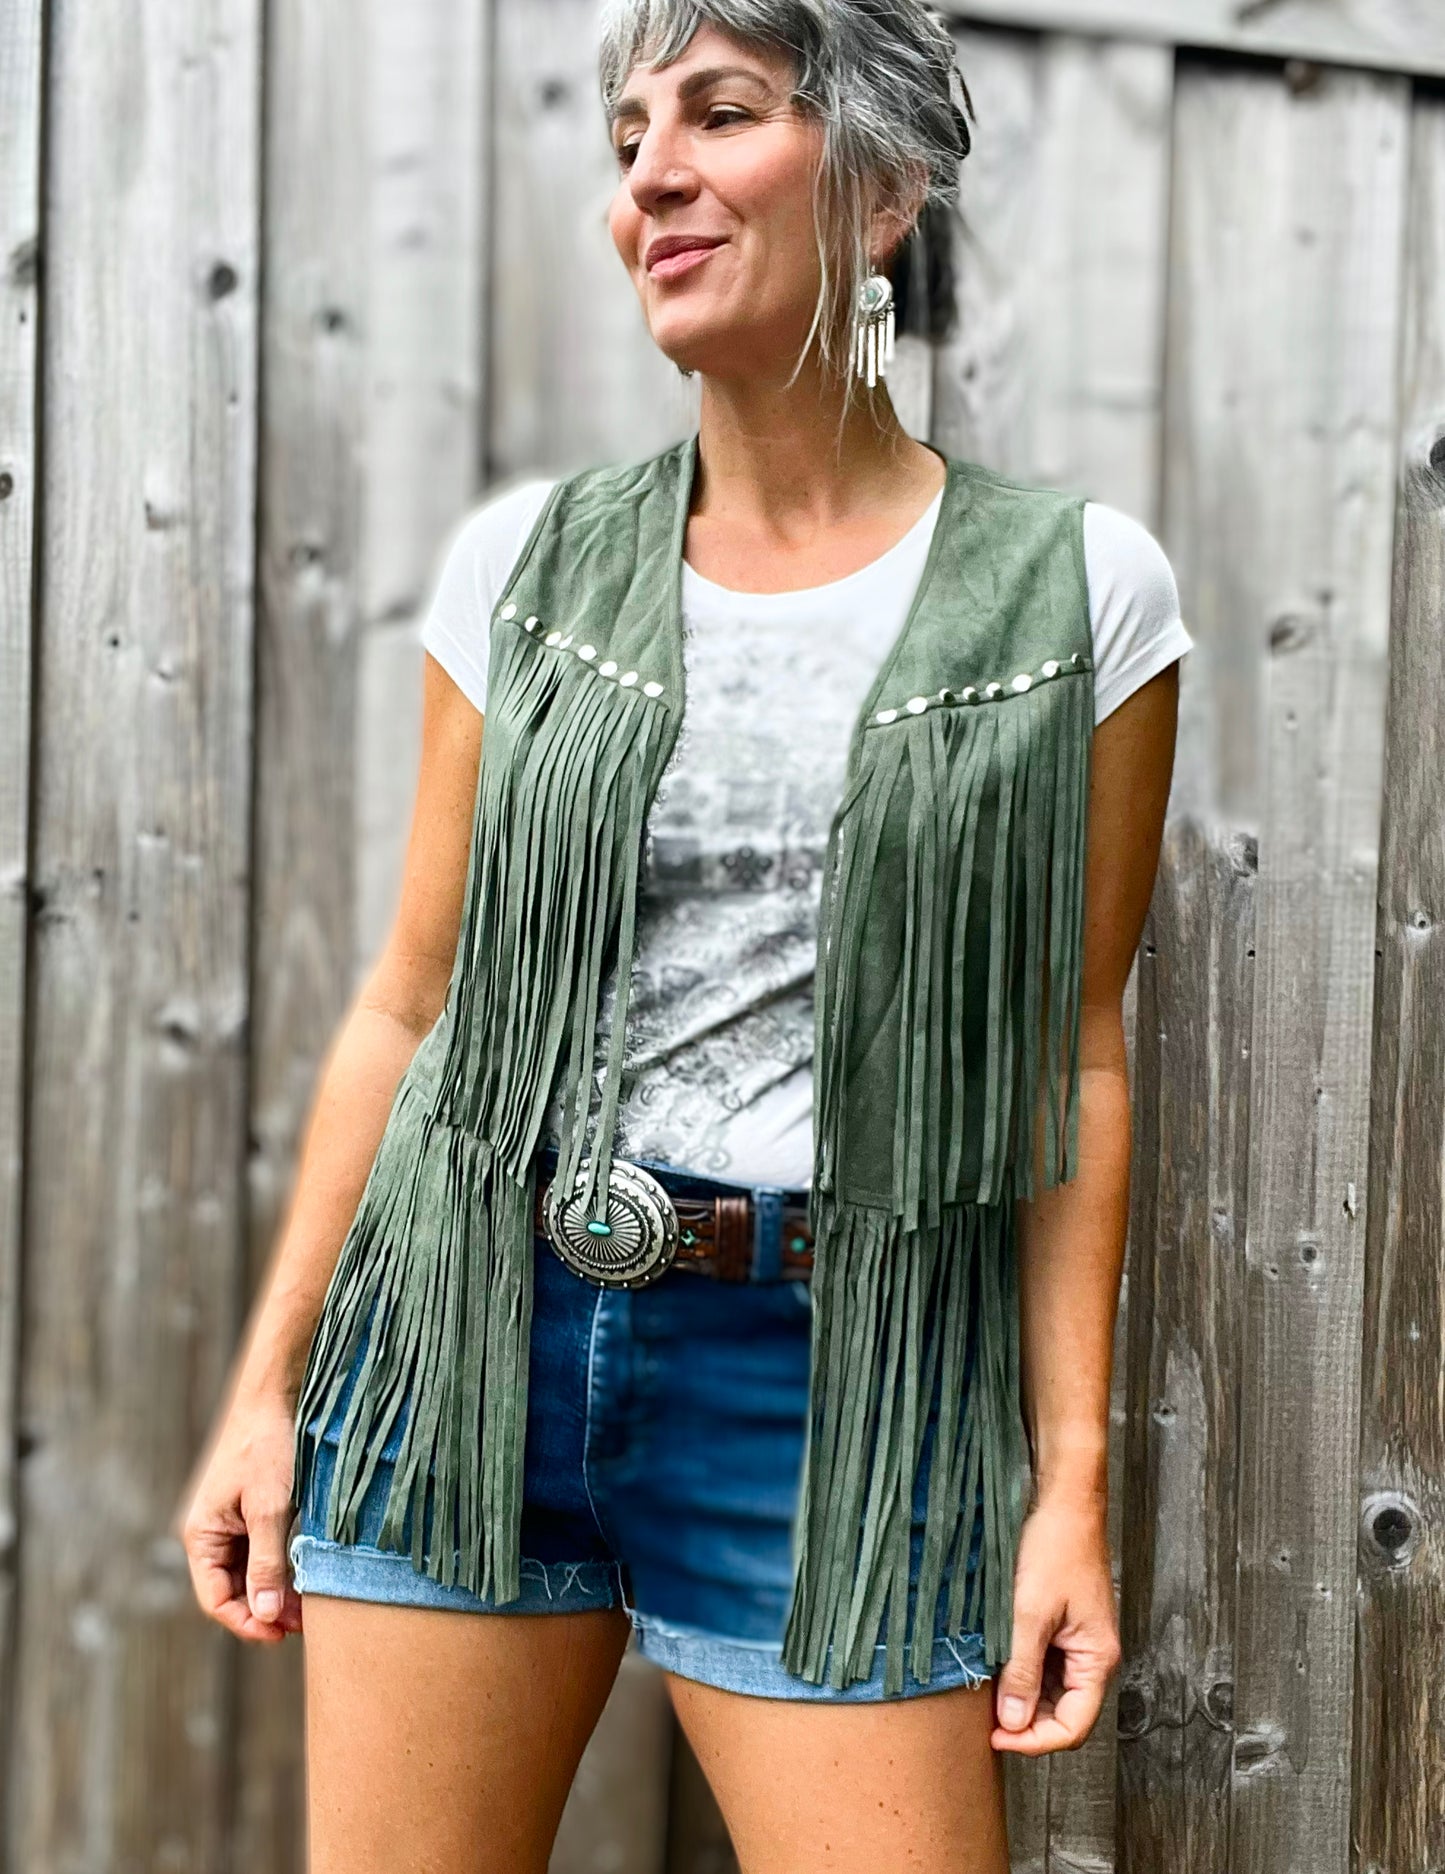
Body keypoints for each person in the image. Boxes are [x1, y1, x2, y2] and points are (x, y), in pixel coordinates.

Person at [178, 2, 1191, 1868]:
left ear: (881, 189)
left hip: (837, 1375)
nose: (651, 171)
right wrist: (265, 1392)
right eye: (630, 132)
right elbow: (412, 1002)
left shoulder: (1076, 593)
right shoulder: (528, 568)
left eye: (721, 114)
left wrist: (1067, 1492)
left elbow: (1074, 1054)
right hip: (467, 1327)